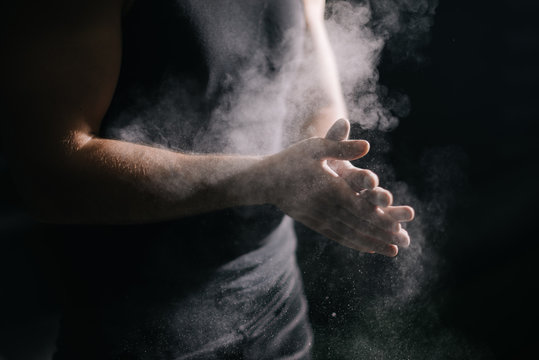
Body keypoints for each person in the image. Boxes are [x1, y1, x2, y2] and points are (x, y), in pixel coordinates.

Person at [0, 0, 415, 359]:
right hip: (139, 327)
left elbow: (313, 89)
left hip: (277, 311)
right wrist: (262, 179)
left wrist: (330, 167)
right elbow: (52, 173)